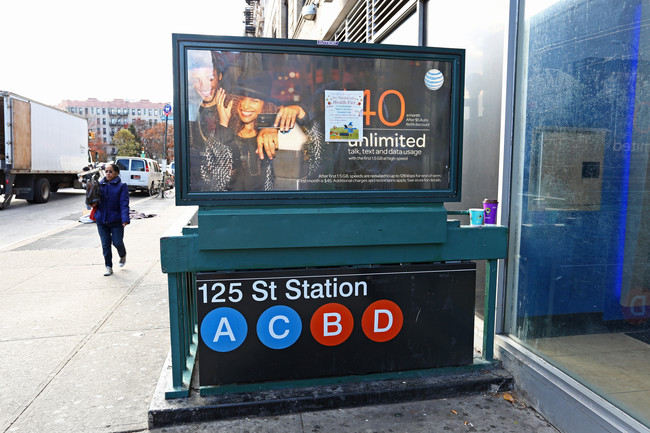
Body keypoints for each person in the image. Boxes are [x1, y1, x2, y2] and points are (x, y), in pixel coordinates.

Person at [92, 163, 130, 276]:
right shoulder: (99, 184)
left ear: (116, 173)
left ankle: (122, 254)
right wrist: (92, 202)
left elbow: (124, 204)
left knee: (117, 242)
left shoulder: (122, 186)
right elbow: (93, 200)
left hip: (116, 220)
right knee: (105, 244)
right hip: (101, 220)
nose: (108, 173)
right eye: (106, 171)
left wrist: (125, 219)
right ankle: (108, 266)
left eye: (110, 171)